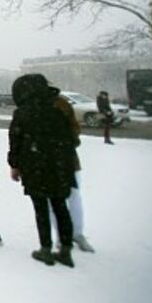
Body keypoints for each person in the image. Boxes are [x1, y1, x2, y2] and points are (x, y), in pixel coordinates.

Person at [7, 73, 77, 267]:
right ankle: (65, 249)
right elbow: (72, 137)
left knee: (41, 209)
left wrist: (14, 165)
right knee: (60, 207)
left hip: (35, 165)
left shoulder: (23, 112)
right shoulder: (58, 107)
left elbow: (15, 141)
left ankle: (45, 248)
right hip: (60, 166)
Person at [49, 95, 95, 253]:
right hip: (51, 161)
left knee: (73, 197)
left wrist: (66, 143)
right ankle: (62, 237)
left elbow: (74, 128)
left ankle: (77, 233)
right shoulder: (44, 103)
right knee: (55, 201)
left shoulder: (60, 102)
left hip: (67, 160)